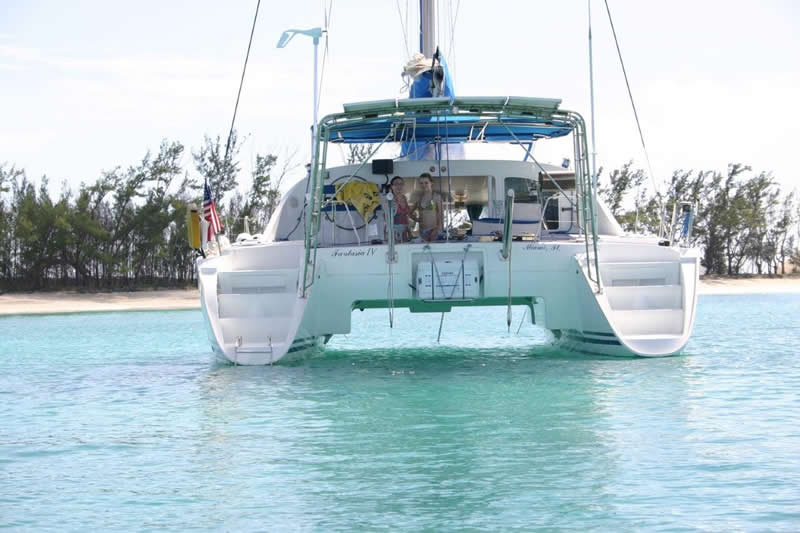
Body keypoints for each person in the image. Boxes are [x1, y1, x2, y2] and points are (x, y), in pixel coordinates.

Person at [410, 173, 443, 242]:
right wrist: (416, 219)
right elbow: (409, 213)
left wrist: (437, 229)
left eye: (426, 183)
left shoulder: (436, 197)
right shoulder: (419, 198)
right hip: (422, 231)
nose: (423, 185)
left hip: (433, 230)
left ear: (431, 183)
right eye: (421, 183)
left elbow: (441, 214)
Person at [388, 176, 410, 243]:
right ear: (391, 186)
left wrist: (409, 232)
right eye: (396, 184)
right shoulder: (389, 198)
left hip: (404, 231)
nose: (399, 186)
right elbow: (386, 218)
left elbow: (406, 216)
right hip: (393, 232)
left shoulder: (404, 197)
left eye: (401, 184)